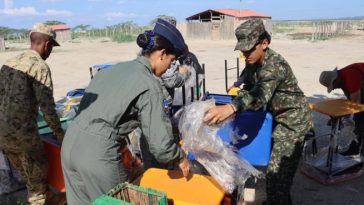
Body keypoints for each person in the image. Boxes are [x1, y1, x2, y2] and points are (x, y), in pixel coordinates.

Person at [61, 19, 190, 205]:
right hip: (97, 156)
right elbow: (161, 147)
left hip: (70, 144)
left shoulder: (113, 70)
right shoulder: (150, 85)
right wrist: (180, 157)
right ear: (162, 54)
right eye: (171, 61)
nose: (169, 67)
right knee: (112, 201)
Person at [203, 18, 312, 204]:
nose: (246, 55)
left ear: (264, 43)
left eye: (249, 49)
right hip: (275, 118)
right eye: (243, 50)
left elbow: (259, 96)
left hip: (293, 123)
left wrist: (231, 108)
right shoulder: (253, 61)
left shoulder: (274, 66)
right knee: (277, 177)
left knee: (276, 176)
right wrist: (236, 93)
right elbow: (249, 82)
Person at [0, 23, 65, 205]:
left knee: (29, 174)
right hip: (24, 138)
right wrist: (61, 135)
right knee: (38, 174)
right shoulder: (39, 67)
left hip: (3, 136)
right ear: (47, 44)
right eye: (51, 47)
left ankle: (49, 197)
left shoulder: (9, 62)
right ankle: (40, 199)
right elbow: (48, 109)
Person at [319, 63, 364, 155]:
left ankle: (358, 155)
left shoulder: (351, 76)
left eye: (333, 85)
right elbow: (351, 100)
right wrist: (340, 116)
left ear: (336, 78)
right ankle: (353, 151)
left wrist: (343, 117)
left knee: (360, 122)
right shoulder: (342, 80)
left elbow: (356, 104)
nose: (334, 88)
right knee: (358, 122)